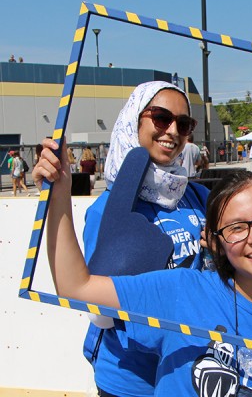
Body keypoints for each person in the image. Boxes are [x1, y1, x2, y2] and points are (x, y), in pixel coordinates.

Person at [33, 143, 252, 396]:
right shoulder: (181, 291)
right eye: (236, 227)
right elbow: (76, 287)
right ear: (216, 242)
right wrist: (59, 194)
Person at [47, 81, 209, 396]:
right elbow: (98, 309)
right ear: (134, 120)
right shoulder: (108, 208)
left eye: (184, 124)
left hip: (188, 371)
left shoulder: (197, 196)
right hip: (132, 379)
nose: (173, 131)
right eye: (161, 118)